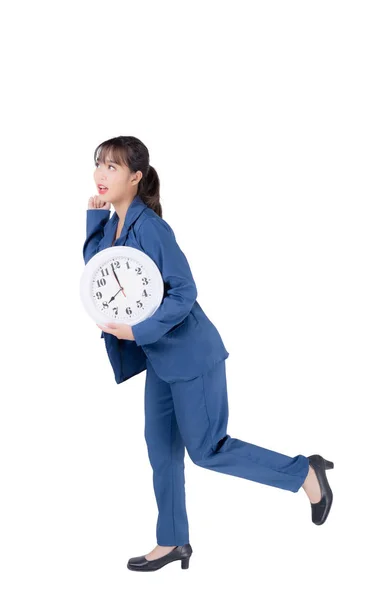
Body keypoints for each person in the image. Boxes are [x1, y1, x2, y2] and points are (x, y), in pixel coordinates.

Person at [82, 135, 335, 572]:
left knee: (208, 450)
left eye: (113, 167)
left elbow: (184, 291)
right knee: (160, 449)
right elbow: (95, 271)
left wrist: (139, 329)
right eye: (99, 164)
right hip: (159, 356)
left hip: (190, 355)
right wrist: (93, 219)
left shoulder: (152, 227)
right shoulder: (113, 224)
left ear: (136, 177)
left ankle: (305, 473)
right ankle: (173, 541)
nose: (102, 174)